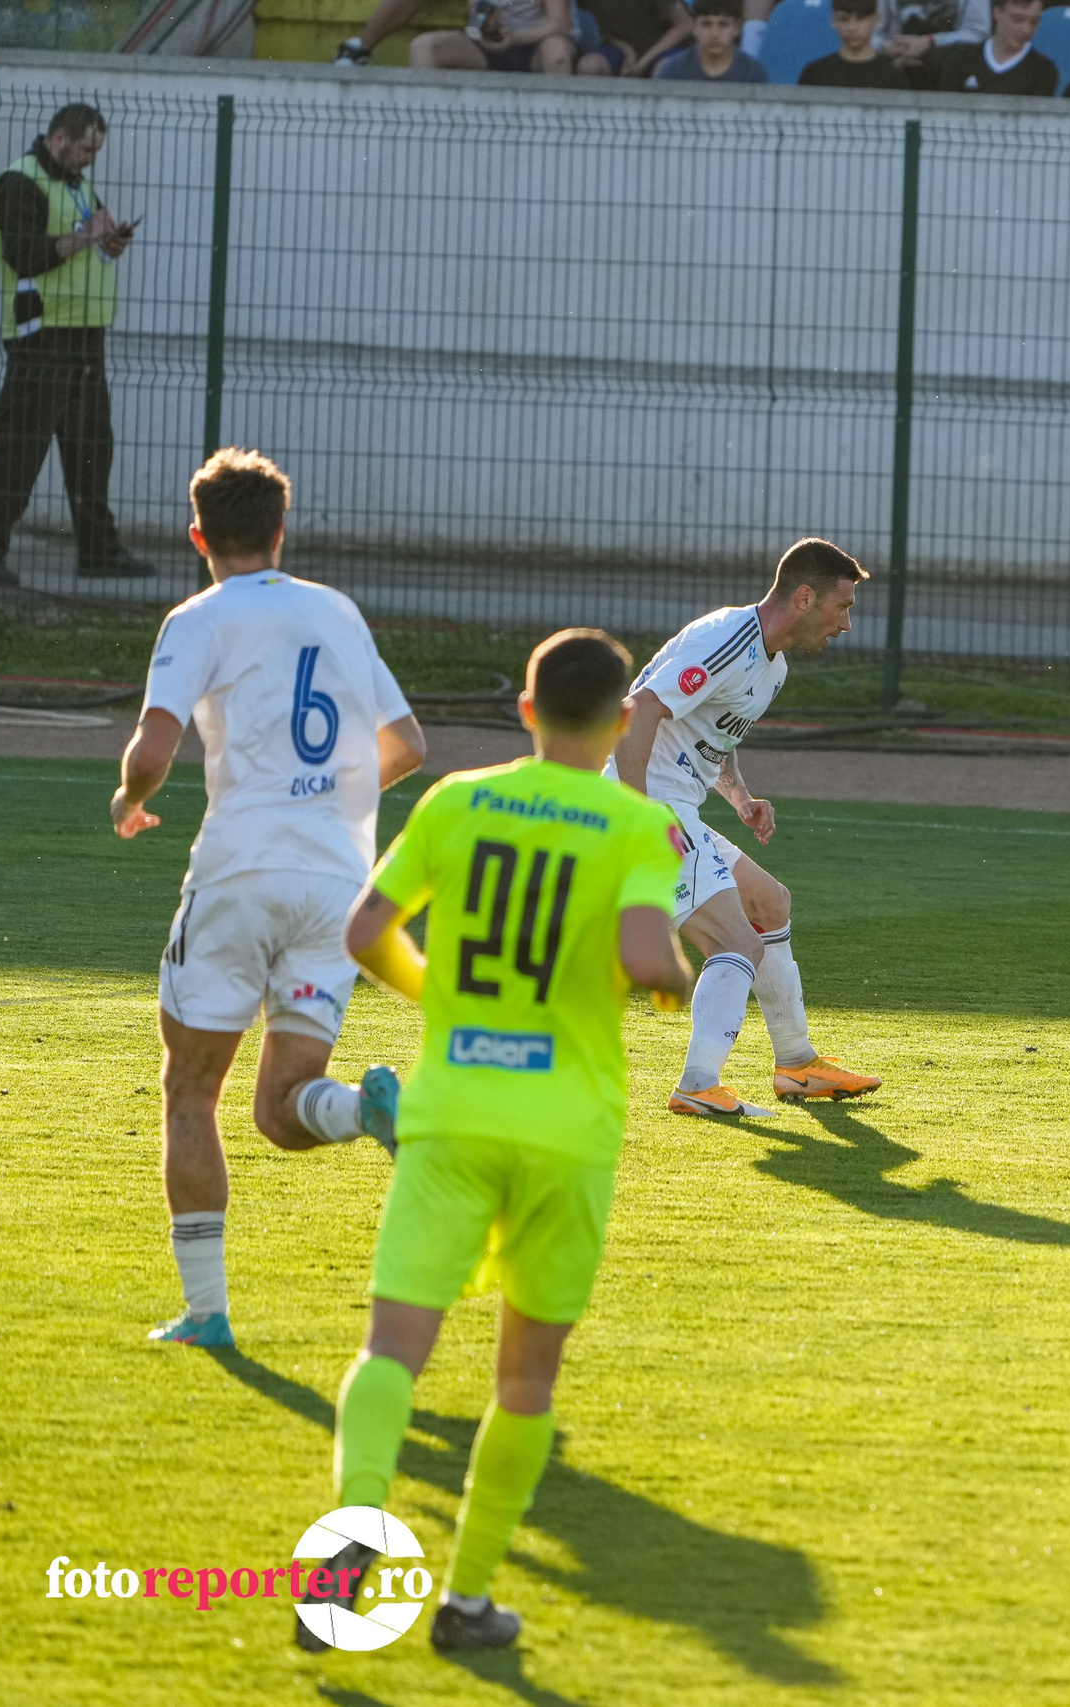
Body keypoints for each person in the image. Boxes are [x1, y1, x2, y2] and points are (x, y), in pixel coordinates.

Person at [305, 628, 693, 1655]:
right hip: (567, 1130)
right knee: (523, 1382)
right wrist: (676, 980)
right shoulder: (636, 823)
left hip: (455, 1113)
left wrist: (441, 998)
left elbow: (361, 932)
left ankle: (349, 1557)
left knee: (394, 1346)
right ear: (619, 723)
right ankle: (468, 1604)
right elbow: (647, 954)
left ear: (524, 710)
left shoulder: (457, 801)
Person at [112, 449, 427, 1347]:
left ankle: (207, 1313)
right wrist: (331, 808)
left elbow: (151, 749)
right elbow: (407, 740)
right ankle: (362, 1110)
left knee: (191, 1090)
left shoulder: (197, 617)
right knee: (284, 1108)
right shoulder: (334, 609)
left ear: (198, 536)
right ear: (283, 531)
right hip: (337, 885)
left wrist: (130, 804)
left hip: (238, 872)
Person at [612, 540, 883, 1114]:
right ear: (804, 598)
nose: (846, 624)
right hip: (645, 806)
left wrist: (739, 796)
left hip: (676, 806)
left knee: (770, 904)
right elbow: (637, 713)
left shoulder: (774, 665)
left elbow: (716, 735)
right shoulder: (726, 640)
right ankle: (698, 1084)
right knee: (736, 941)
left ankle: (797, 1065)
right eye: (843, 607)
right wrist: (634, 819)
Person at [0, 104, 148, 585]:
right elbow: (26, 255)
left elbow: (85, 240)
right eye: (85, 148)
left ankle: (99, 551)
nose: (90, 159)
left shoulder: (76, 183)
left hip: (84, 336)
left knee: (92, 448)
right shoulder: (19, 183)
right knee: (21, 449)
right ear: (59, 138)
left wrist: (108, 243)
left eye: (97, 150)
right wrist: (84, 236)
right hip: (43, 339)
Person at [337, 0, 577, 70]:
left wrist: (515, 38)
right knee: (423, 46)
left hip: (532, 45)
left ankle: (559, 137)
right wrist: (485, 30)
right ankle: (427, 131)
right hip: (486, 45)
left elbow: (560, 25)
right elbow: (475, 15)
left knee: (557, 52)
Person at [933, 0, 1062, 92]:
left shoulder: (1044, 71)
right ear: (997, 12)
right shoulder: (961, 59)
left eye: (1034, 22)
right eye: (1018, 19)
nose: (1026, 29)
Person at [880, 0, 991, 89]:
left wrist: (929, 41)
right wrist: (887, 46)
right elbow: (874, 31)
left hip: (949, 73)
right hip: (896, 66)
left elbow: (978, 33)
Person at [803, 0, 911, 84]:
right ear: (834, 20)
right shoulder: (815, 74)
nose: (852, 27)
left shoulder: (893, 76)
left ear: (876, 20)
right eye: (844, 19)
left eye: (861, 18)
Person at [573, 0, 695, 74]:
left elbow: (685, 25)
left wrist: (642, 64)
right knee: (590, 66)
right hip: (619, 49)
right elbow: (602, 30)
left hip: (664, 48)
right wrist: (627, 51)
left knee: (665, 69)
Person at [657, 0, 770, 78]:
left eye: (723, 25)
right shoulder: (673, 71)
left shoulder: (752, 73)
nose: (714, 33)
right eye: (706, 24)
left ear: (736, 28)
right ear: (695, 27)